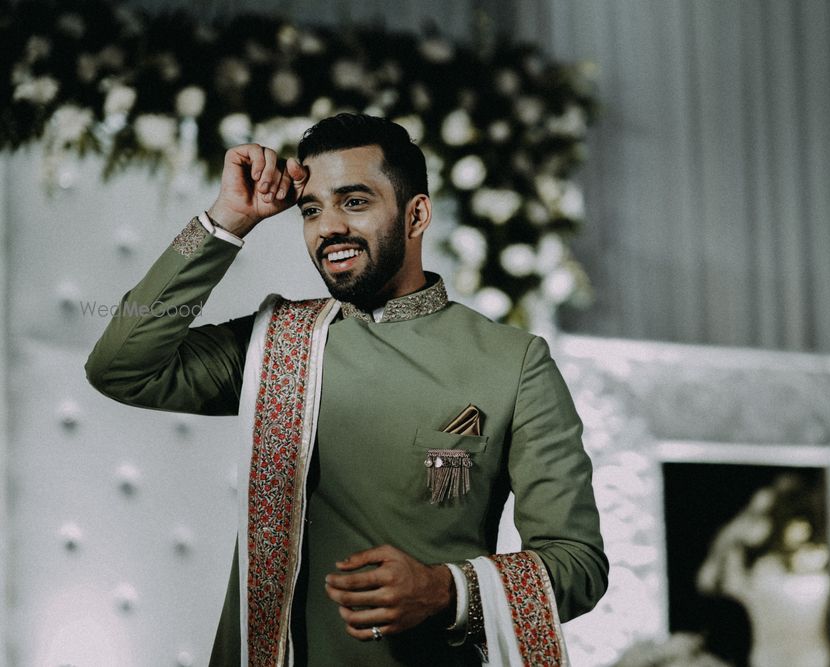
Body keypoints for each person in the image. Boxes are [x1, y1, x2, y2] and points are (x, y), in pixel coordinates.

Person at [85, 113, 607, 666]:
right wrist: (226, 222)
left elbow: (578, 563)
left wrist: (445, 589)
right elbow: (120, 366)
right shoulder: (278, 345)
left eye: (354, 202)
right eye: (312, 209)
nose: (328, 226)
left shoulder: (513, 363)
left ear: (417, 214)